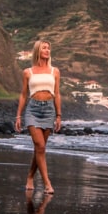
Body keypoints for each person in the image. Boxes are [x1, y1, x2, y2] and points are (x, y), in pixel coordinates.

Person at [15, 39, 62, 194]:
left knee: (39, 149)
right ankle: (47, 183)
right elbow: (23, 94)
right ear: (38, 51)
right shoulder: (28, 72)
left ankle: (30, 177)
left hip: (49, 110)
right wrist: (18, 116)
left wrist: (59, 115)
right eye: (44, 48)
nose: (47, 50)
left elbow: (57, 94)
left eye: (49, 48)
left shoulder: (54, 71)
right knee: (40, 146)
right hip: (33, 110)